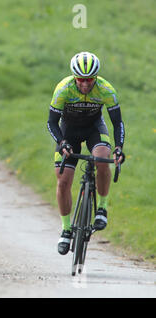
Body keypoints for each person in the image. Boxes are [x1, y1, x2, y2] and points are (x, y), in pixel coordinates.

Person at [47, 51, 126, 255]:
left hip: (94, 129)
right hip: (68, 132)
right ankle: (66, 229)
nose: (84, 84)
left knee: (101, 159)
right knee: (63, 180)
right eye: (81, 80)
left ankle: (102, 208)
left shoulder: (106, 89)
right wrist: (62, 142)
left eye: (89, 80)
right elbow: (51, 123)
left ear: (96, 77)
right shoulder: (63, 89)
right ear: (75, 77)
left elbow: (117, 123)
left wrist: (119, 148)